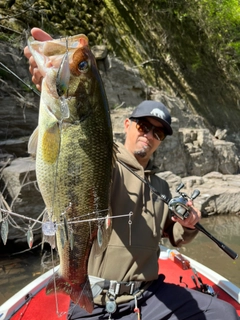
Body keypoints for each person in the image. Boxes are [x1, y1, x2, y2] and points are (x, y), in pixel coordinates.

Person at [24, 28, 239, 320]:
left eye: (158, 132)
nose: (149, 135)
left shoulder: (161, 185)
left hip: (149, 296)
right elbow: (77, 141)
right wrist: (52, 79)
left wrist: (189, 224)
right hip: (97, 297)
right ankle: (73, 281)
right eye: (143, 126)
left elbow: (173, 235)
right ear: (127, 124)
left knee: (224, 315)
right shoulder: (104, 160)